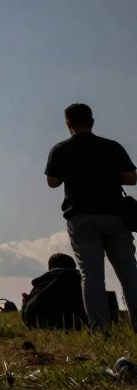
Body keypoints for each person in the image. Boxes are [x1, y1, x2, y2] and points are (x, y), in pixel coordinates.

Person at [45, 103, 137, 331]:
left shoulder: (60, 149)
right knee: (129, 273)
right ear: (92, 121)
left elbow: (53, 182)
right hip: (115, 216)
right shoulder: (111, 147)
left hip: (81, 218)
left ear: (68, 124)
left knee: (91, 276)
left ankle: (100, 328)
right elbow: (131, 178)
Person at [22, 253, 87, 330]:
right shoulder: (79, 282)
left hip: (37, 326)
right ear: (73, 267)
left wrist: (24, 306)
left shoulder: (40, 285)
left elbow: (27, 319)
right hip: (75, 325)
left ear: (50, 268)